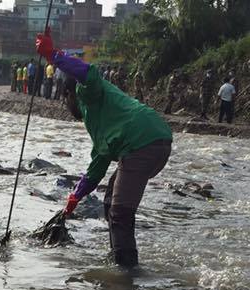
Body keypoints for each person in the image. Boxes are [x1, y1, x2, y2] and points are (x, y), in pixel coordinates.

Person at [36, 27, 172, 269]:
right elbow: (97, 165)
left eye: (64, 99)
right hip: (153, 141)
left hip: (141, 143)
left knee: (120, 212)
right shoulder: (97, 120)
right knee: (110, 201)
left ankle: (125, 275)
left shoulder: (87, 93)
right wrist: (74, 197)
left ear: (70, 93)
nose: (66, 105)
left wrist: (53, 55)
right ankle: (117, 256)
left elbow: (88, 72)